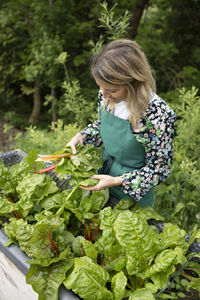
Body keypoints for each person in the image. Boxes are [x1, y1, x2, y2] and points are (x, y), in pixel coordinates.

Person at [67, 39, 176, 208]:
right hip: (101, 179)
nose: (103, 95)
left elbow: (160, 169)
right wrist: (81, 137)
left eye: (111, 90)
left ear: (134, 83)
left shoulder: (158, 115)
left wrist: (117, 181)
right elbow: (102, 125)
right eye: (101, 88)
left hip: (131, 195)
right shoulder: (107, 95)